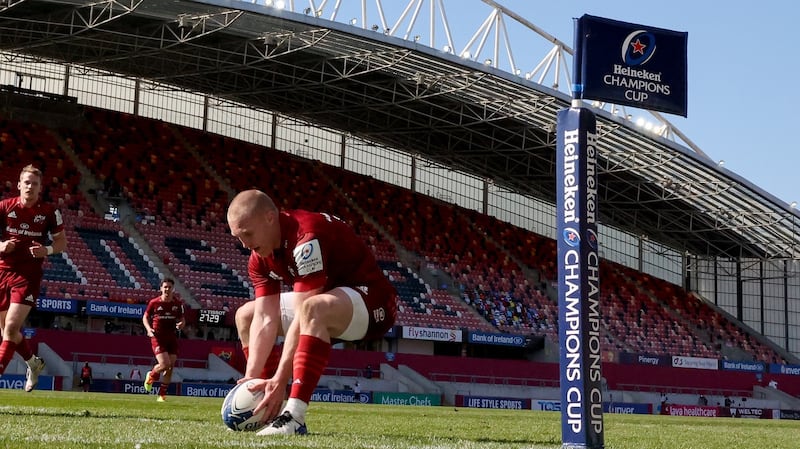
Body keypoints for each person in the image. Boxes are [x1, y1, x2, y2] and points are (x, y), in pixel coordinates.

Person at [227, 190, 396, 436]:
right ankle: (268, 406)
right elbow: (265, 318)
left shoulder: (306, 237)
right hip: (331, 304)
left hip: (372, 302)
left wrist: (280, 376)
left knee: (311, 307)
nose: (244, 245)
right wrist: (251, 380)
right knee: (247, 315)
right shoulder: (258, 258)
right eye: (238, 238)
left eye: (247, 234)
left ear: (269, 218)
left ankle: (294, 416)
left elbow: (303, 311)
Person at [0, 164, 67, 392]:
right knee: (8, 333)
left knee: (10, 327)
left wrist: (46, 250)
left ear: (41, 188)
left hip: (28, 275)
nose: (30, 186)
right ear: (18, 185)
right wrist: (1, 245)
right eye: (26, 182)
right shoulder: (4, 207)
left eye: (35, 183)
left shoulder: (49, 212)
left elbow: (62, 243)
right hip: (2, 271)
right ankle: (33, 363)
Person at [141, 278, 185, 402]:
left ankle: (161, 395)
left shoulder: (177, 304)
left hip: (171, 337)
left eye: (169, 287)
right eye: (165, 287)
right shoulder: (154, 303)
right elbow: (145, 317)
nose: (167, 289)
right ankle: (152, 375)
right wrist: (149, 329)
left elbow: (182, 319)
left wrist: (181, 324)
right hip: (158, 337)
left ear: (173, 289)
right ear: (161, 288)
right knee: (165, 364)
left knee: (170, 368)